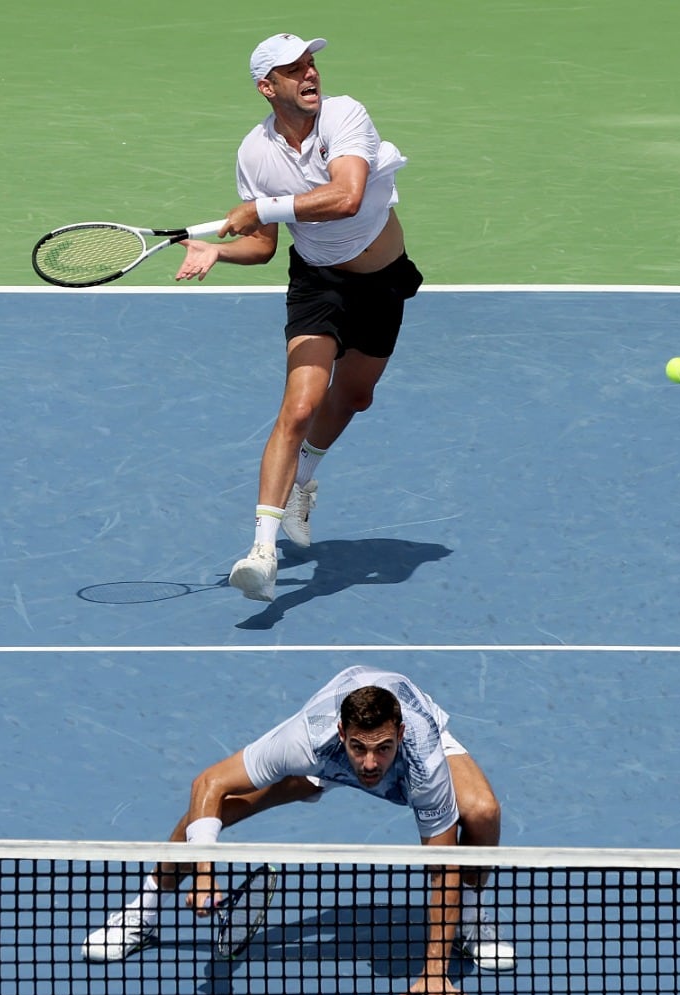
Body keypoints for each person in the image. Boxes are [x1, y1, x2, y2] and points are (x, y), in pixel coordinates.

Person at [80, 665, 513, 995]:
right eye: (359, 747)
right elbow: (207, 783)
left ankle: (469, 923)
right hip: (323, 758)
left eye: (382, 747)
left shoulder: (422, 757)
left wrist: (434, 966)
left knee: (481, 811)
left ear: (398, 735)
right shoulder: (303, 741)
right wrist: (205, 871)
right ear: (342, 735)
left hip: (416, 741)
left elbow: (442, 868)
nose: (369, 763)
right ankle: (143, 914)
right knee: (219, 809)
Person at [176, 32, 424, 602]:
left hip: (382, 282)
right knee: (300, 404)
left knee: (354, 396)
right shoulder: (254, 153)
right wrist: (217, 249)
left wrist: (260, 208)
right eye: (293, 70)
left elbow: (347, 197)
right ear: (268, 88)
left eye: (311, 63)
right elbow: (262, 246)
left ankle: (303, 481)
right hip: (317, 284)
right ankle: (261, 552)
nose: (309, 74)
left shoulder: (345, 115)